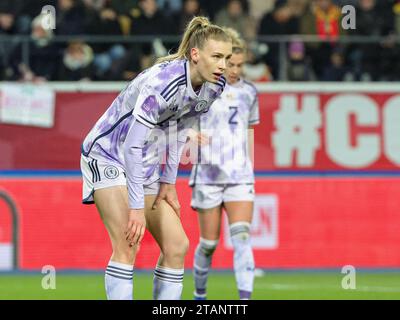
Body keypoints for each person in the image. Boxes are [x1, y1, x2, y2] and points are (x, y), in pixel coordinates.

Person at [80, 16, 232, 300]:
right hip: (108, 154)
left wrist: (169, 182)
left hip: (145, 161)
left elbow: (181, 127)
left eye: (227, 57)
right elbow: (131, 147)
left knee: (177, 245)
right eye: (216, 56)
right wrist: (137, 208)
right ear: (195, 55)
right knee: (128, 243)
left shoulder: (215, 87)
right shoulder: (163, 83)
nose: (223, 64)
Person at [189, 28, 259, 300]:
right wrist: (190, 135)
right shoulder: (202, 88)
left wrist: (246, 165)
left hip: (239, 176)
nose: (234, 70)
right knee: (208, 244)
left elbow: (248, 132)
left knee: (242, 237)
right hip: (207, 174)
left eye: (240, 65)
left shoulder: (249, 93)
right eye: (230, 64)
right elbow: (182, 123)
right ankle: (199, 296)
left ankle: (245, 299)